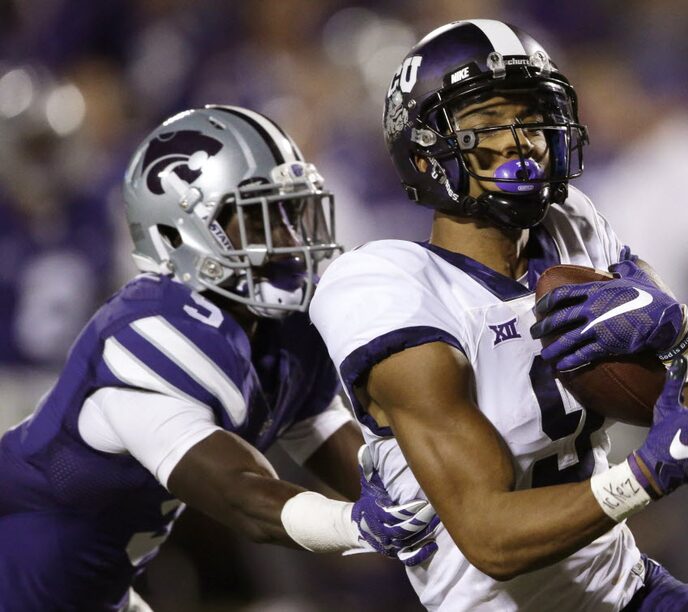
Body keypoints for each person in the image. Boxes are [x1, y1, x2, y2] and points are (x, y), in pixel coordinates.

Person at [309, 20, 688, 611]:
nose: (520, 141)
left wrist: (680, 334)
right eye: (486, 124)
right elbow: (490, 536)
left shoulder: (573, 227)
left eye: (531, 119)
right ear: (425, 154)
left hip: (632, 589)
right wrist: (647, 473)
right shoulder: (390, 287)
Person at [0, 105, 437, 612]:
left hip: (92, 591)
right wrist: (355, 524)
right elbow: (244, 499)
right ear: (179, 232)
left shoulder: (279, 331)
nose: (290, 241)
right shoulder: (149, 332)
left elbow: (340, 445)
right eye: (258, 219)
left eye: (291, 213)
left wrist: (444, 507)